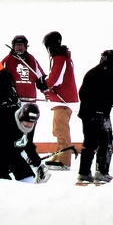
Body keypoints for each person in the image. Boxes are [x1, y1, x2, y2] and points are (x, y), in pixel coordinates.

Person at [76, 49, 113, 185]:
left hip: (87, 115)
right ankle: (101, 172)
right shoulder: (109, 75)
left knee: (89, 143)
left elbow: (82, 93)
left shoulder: (91, 73)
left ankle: (83, 173)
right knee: (106, 143)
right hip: (99, 115)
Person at [0, 102, 49, 182]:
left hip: (13, 153)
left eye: (31, 123)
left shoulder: (31, 125)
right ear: (20, 118)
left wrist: (37, 162)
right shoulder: (6, 121)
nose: (28, 125)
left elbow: (27, 143)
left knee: (28, 177)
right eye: (26, 122)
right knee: (2, 182)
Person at [41, 31, 79, 170]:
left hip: (64, 100)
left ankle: (64, 160)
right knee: (58, 130)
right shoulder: (63, 57)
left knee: (61, 130)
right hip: (62, 100)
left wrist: (44, 82)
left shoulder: (59, 58)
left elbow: (55, 79)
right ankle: (59, 155)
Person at [2, 34, 46, 102]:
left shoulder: (32, 60)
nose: (19, 47)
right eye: (17, 45)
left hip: (30, 100)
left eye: (21, 45)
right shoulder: (7, 60)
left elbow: (41, 78)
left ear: (25, 46)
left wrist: (46, 92)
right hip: (13, 101)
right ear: (13, 46)